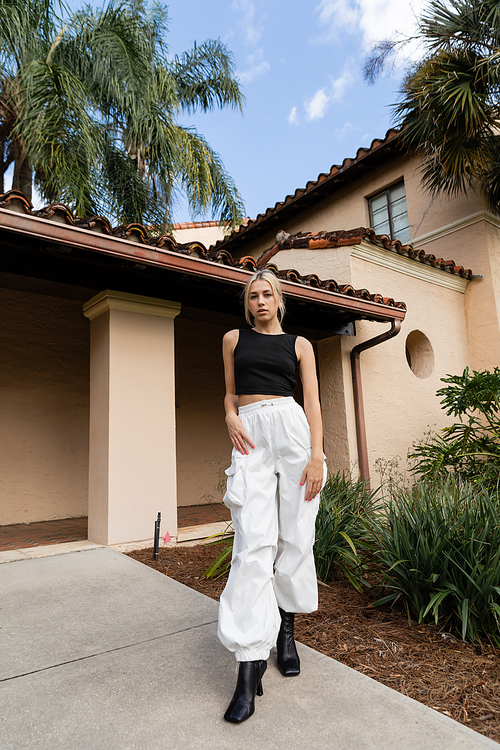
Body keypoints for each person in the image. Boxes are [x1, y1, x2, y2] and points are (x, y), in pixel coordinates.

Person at [218, 268, 327, 723]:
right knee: (252, 544)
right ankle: (249, 665)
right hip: (250, 434)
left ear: (279, 300)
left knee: (297, 537)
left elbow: (314, 403)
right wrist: (230, 415)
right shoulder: (232, 339)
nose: (260, 301)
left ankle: (286, 632)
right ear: (247, 304)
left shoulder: (300, 345)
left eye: (267, 294)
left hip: (292, 430)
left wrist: (317, 455)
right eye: (253, 296)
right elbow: (229, 393)